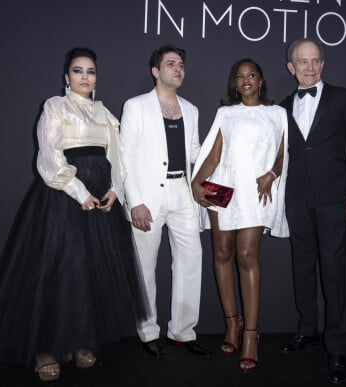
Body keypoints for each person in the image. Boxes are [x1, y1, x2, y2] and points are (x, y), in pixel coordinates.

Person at [0, 48, 149, 382]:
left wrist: (116, 191)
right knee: (56, 272)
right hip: (62, 200)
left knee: (88, 273)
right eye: (78, 71)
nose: (85, 77)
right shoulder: (55, 106)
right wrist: (80, 192)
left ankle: (80, 340)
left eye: (91, 71)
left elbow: (119, 157)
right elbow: (49, 156)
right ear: (66, 77)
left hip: (101, 202)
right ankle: (45, 348)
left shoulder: (105, 112)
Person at [279, 38, 346, 384]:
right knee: (302, 266)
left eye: (316, 60)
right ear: (291, 67)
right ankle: (307, 330)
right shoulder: (283, 106)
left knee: (333, 272)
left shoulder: (343, 97)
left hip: (335, 200)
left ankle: (337, 347)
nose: (310, 67)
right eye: (303, 61)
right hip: (296, 200)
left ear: (323, 63)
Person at [191, 58, 288, 373]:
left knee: (247, 256)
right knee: (221, 252)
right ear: (235, 82)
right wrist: (196, 182)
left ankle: (250, 335)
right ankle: (232, 324)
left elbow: (281, 154)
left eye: (252, 74)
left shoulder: (277, 114)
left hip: (255, 190)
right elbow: (214, 154)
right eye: (240, 76)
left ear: (261, 80)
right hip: (223, 187)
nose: (246, 79)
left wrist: (272, 174)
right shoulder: (226, 113)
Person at [120, 45, 212, 359]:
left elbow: (195, 154)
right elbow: (124, 156)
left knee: (191, 261)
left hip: (183, 194)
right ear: (156, 71)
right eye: (170, 64)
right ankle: (148, 333)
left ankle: (183, 333)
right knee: (144, 266)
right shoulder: (135, 106)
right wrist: (135, 202)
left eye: (181, 64)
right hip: (147, 197)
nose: (178, 69)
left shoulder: (191, 108)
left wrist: (220, 170)